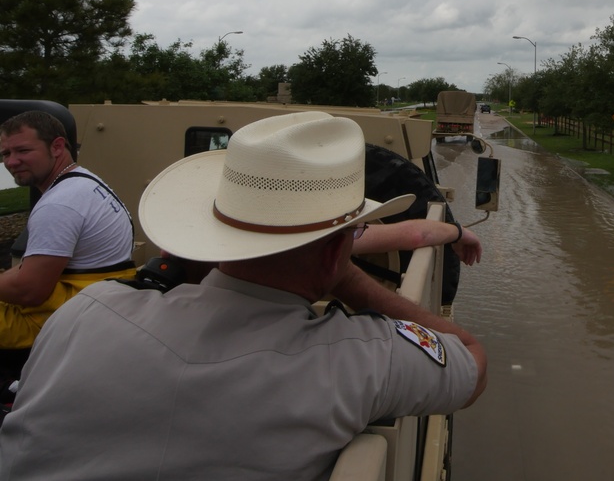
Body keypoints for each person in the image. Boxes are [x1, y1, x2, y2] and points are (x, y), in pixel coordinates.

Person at [0, 111, 487, 480]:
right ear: (340, 247)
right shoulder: (360, 360)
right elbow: (471, 358)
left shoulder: (86, 312)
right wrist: (347, 279)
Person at [0, 111, 135, 353]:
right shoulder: (85, 182)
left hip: (62, 322)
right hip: (100, 305)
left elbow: (30, 291)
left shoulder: (58, 204)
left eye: (22, 151)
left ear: (57, 147)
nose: (10, 162)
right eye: (6, 154)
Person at [355, 217, 484, 266]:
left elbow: (417, 235)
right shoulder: (346, 237)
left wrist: (459, 232)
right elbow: (416, 235)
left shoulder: (342, 236)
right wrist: (459, 232)